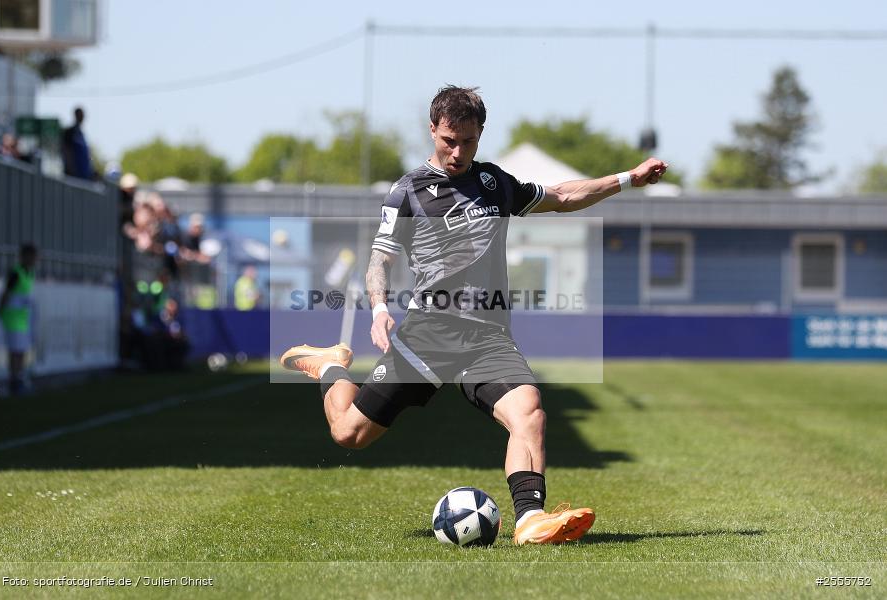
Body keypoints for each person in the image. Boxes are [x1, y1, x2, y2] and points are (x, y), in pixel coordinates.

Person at [280, 86, 668, 545]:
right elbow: (379, 260)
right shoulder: (408, 191)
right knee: (349, 433)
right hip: (427, 335)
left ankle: (530, 520)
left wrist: (629, 179)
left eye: (468, 140)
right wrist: (380, 308)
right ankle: (329, 365)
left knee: (530, 413)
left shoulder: (494, 183)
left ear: (480, 133)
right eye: (449, 140)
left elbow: (562, 196)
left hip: (487, 338)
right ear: (433, 130)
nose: (458, 151)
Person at [0, 244, 38, 395]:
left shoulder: (30, 273)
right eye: (32, 256)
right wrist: (1, 311)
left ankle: (19, 378)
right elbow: (5, 293)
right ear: (25, 256)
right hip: (12, 318)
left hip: (23, 318)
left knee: (21, 351)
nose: (35, 260)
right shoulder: (16, 273)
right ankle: (14, 380)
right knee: (15, 351)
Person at [62, 106, 94, 180]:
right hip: (73, 175)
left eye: (82, 115)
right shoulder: (70, 132)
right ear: (75, 115)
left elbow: (86, 155)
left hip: (84, 175)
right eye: (80, 115)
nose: (81, 117)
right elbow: (66, 150)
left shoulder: (81, 133)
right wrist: (70, 169)